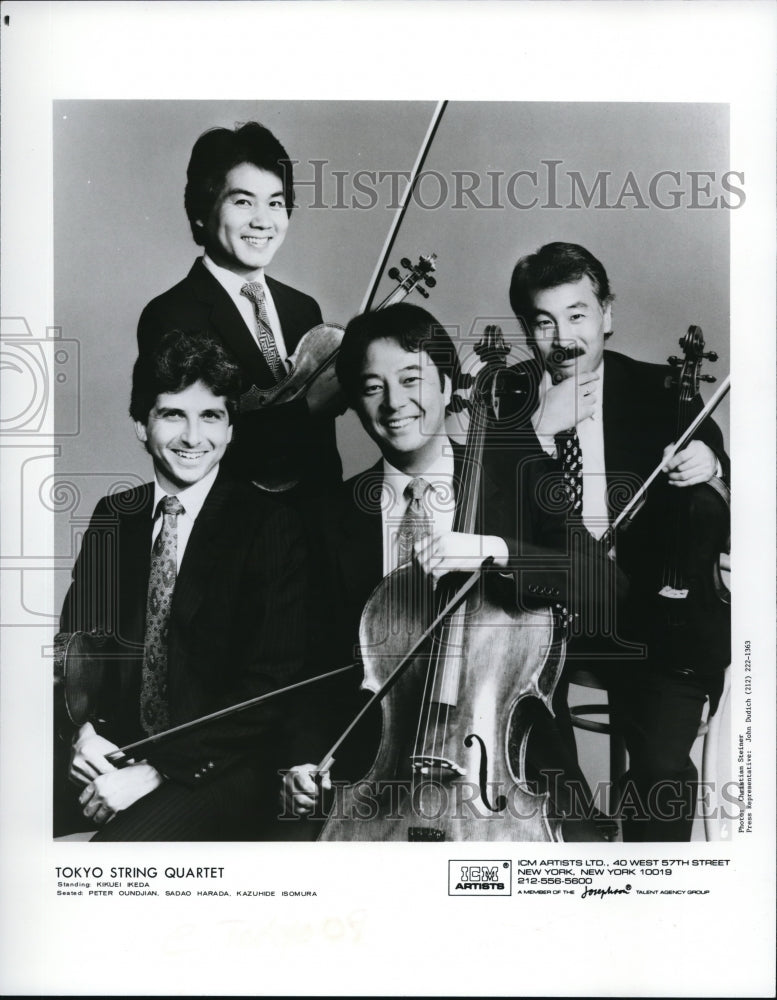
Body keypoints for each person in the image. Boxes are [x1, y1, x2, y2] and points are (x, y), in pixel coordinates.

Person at [281, 301, 624, 840]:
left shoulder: (519, 475)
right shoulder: (327, 516)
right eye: (372, 387)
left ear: (446, 386)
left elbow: (605, 587)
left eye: (412, 379)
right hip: (380, 779)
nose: (395, 403)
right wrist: (302, 760)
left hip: (512, 774)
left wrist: (495, 549)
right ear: (353, 401)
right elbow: (307, 667)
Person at [506, 241, 730, 841]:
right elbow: (487, 516)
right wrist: (536, 436)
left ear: (607, 314)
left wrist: (710, 462)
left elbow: (715, 481)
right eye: (545, 322)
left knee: (660, 773)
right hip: (543, 616)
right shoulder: (508, 402)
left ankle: (652, 899)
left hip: (649, 621)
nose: (564, 338)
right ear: (529, 331)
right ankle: (577, 843)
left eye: (578, 315)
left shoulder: (664, 391)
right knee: (537, 768)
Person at [55, 330, 308, 840]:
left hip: (219, 768)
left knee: (107, 864)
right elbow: (76, 649)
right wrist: (81, 734)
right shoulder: (116, 516)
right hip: (109, 754)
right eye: (173, 414)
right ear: (140, 425)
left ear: (231, 429)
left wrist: (152, 772)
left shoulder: (268, 526)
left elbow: (268, 688)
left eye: (211, 416)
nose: (194, 437)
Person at [137, 121, 342, 494]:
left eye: (276, 203)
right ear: (201, 211)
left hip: (318, 530)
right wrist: (308, 407)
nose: (263, 221)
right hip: (235, 538)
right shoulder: (170, 315)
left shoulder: (303, 309)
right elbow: (197, 441)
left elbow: (321, 451)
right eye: (243, 201)